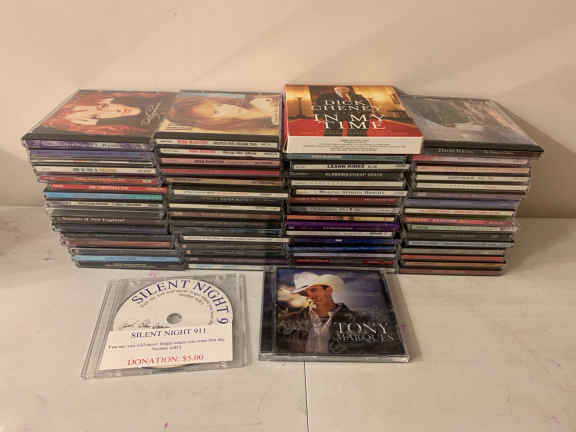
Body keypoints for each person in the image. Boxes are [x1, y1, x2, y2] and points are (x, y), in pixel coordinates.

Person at [276, 272, 370, 354]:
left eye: (313, 290)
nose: (309, 296)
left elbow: (365, 350)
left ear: (329, 290)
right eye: (304, 293)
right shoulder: (288, 321)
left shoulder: (359, 320)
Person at [38, 91, 171, 136]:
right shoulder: (141, 131)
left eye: (103, 106)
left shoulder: (159, 97)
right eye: (96, 117)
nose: (115, 111)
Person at [166, 93, 279, 133]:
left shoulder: (264, 100)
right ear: (215, 123)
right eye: (215, 112)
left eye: (218, 105)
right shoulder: (259, 128)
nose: (227, 108)